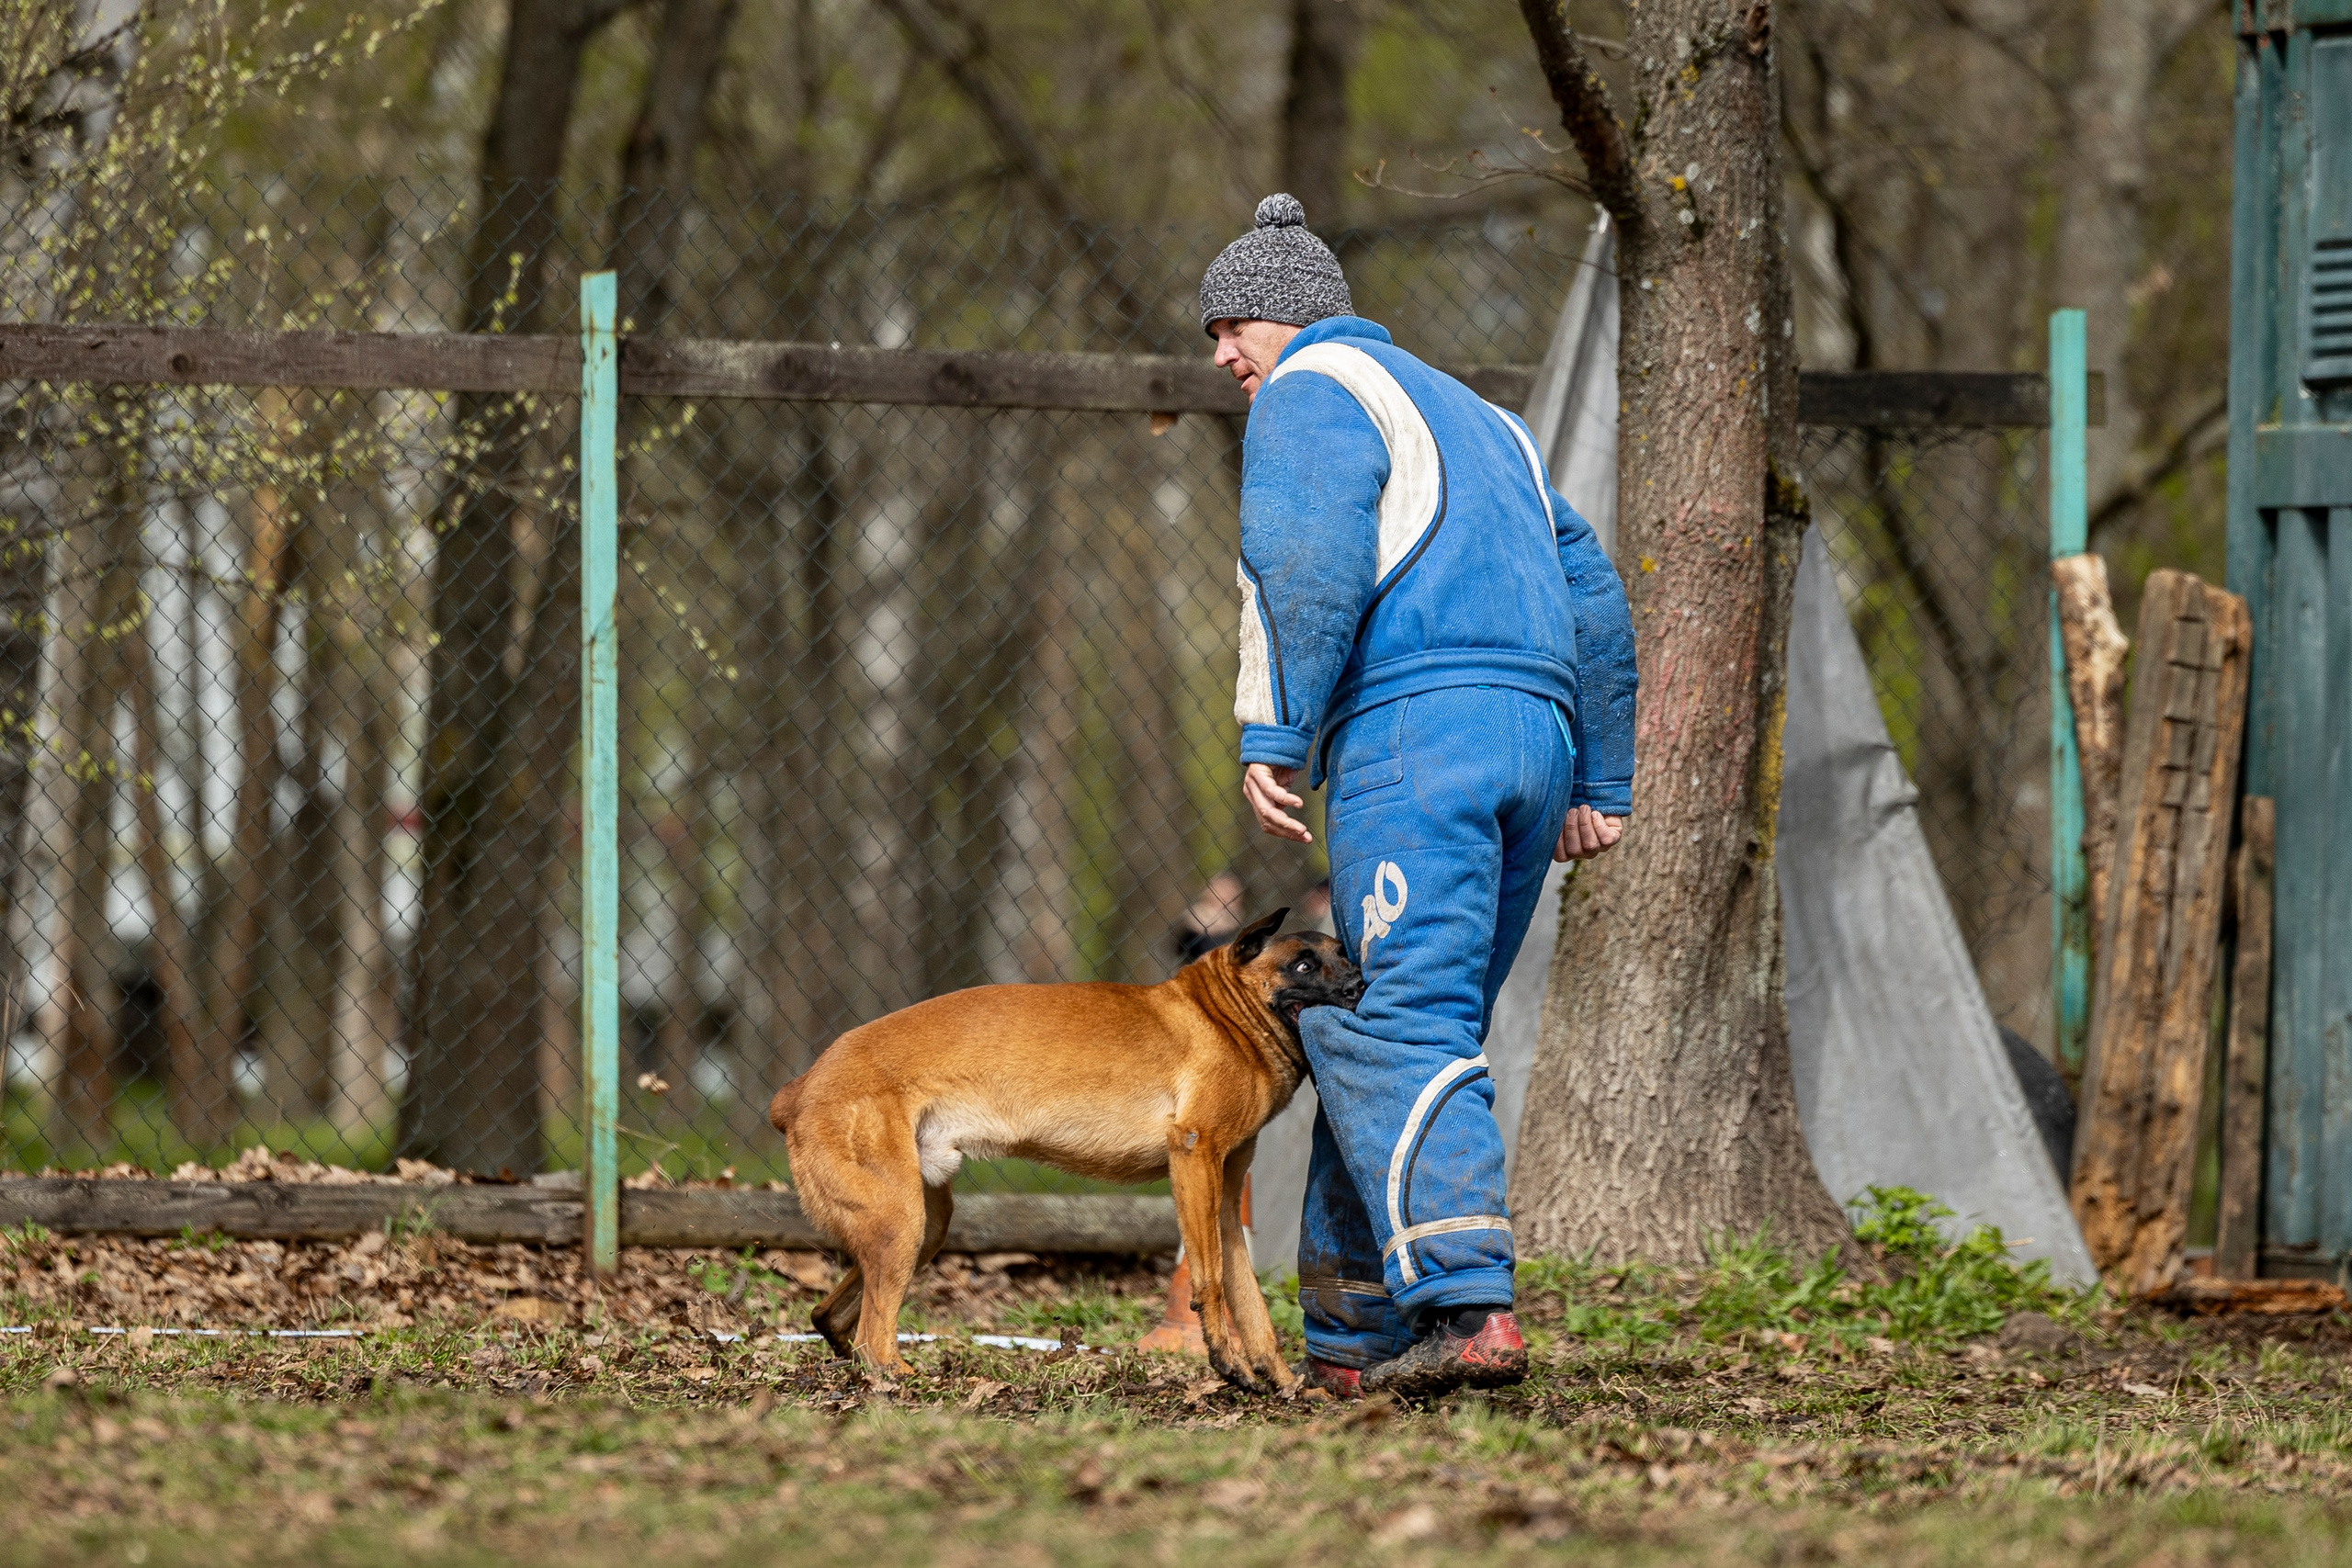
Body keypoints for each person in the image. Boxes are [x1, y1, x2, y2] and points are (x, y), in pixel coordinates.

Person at [1200, 194, 1636, 1399]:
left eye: (1230, 326)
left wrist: (1275, 728)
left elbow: (1308, 553)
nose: (1223, 357)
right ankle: (1352, 1345)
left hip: (1416, 734)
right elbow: (1590, 590)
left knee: (1389, 1024)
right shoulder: (1489, 420)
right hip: (1532, 739)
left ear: (1285, 316)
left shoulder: (1313, 390)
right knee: (1412, 1023)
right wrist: (1599, 777)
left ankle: (1469, 1311)